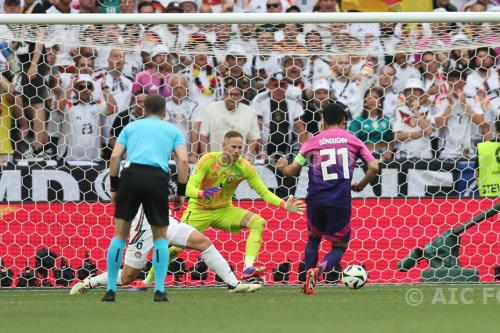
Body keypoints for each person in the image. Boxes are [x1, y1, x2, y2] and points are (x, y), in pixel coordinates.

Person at [144, 130, 305, 283]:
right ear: (223, 146)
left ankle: (248, 268)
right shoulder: (208, 160)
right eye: (233, 147)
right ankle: (147, 280)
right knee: (176, 249)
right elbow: (188, 188)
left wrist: (285, 205)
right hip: (199, 211)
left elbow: (264, 193)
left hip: (223, 210)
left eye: (240, 147)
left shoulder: (244, 167)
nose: (237, 151)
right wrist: (202, 193)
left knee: (258, 222)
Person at [276, 103, 379, 295]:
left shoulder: (311, 142)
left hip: (315, 199)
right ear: (343, 121)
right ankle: (320, 270)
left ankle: (308, 276)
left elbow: (291, 171)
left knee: (314, 238)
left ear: (323, 121)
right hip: (339, 201)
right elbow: (373, 167)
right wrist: (361, 184)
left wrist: (282, 165)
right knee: (339, 245)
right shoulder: (354, 141)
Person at [103, 94, 189, 302]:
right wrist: (181, 191)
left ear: (143, 110)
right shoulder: (172, 130)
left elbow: (114, 157)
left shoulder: (131, 128)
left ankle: (111, 290)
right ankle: (159, 290)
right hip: (156, 178)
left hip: (130, 176)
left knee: (120, 235)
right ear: (164, 111)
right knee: (160, 236)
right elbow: (184, 160)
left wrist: (114, 186)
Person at [70, 207, 261, 294]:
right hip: (143, 231)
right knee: (128, 277)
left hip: (166, 224)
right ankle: (91, 282)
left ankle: (234, 284)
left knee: (203, 242)